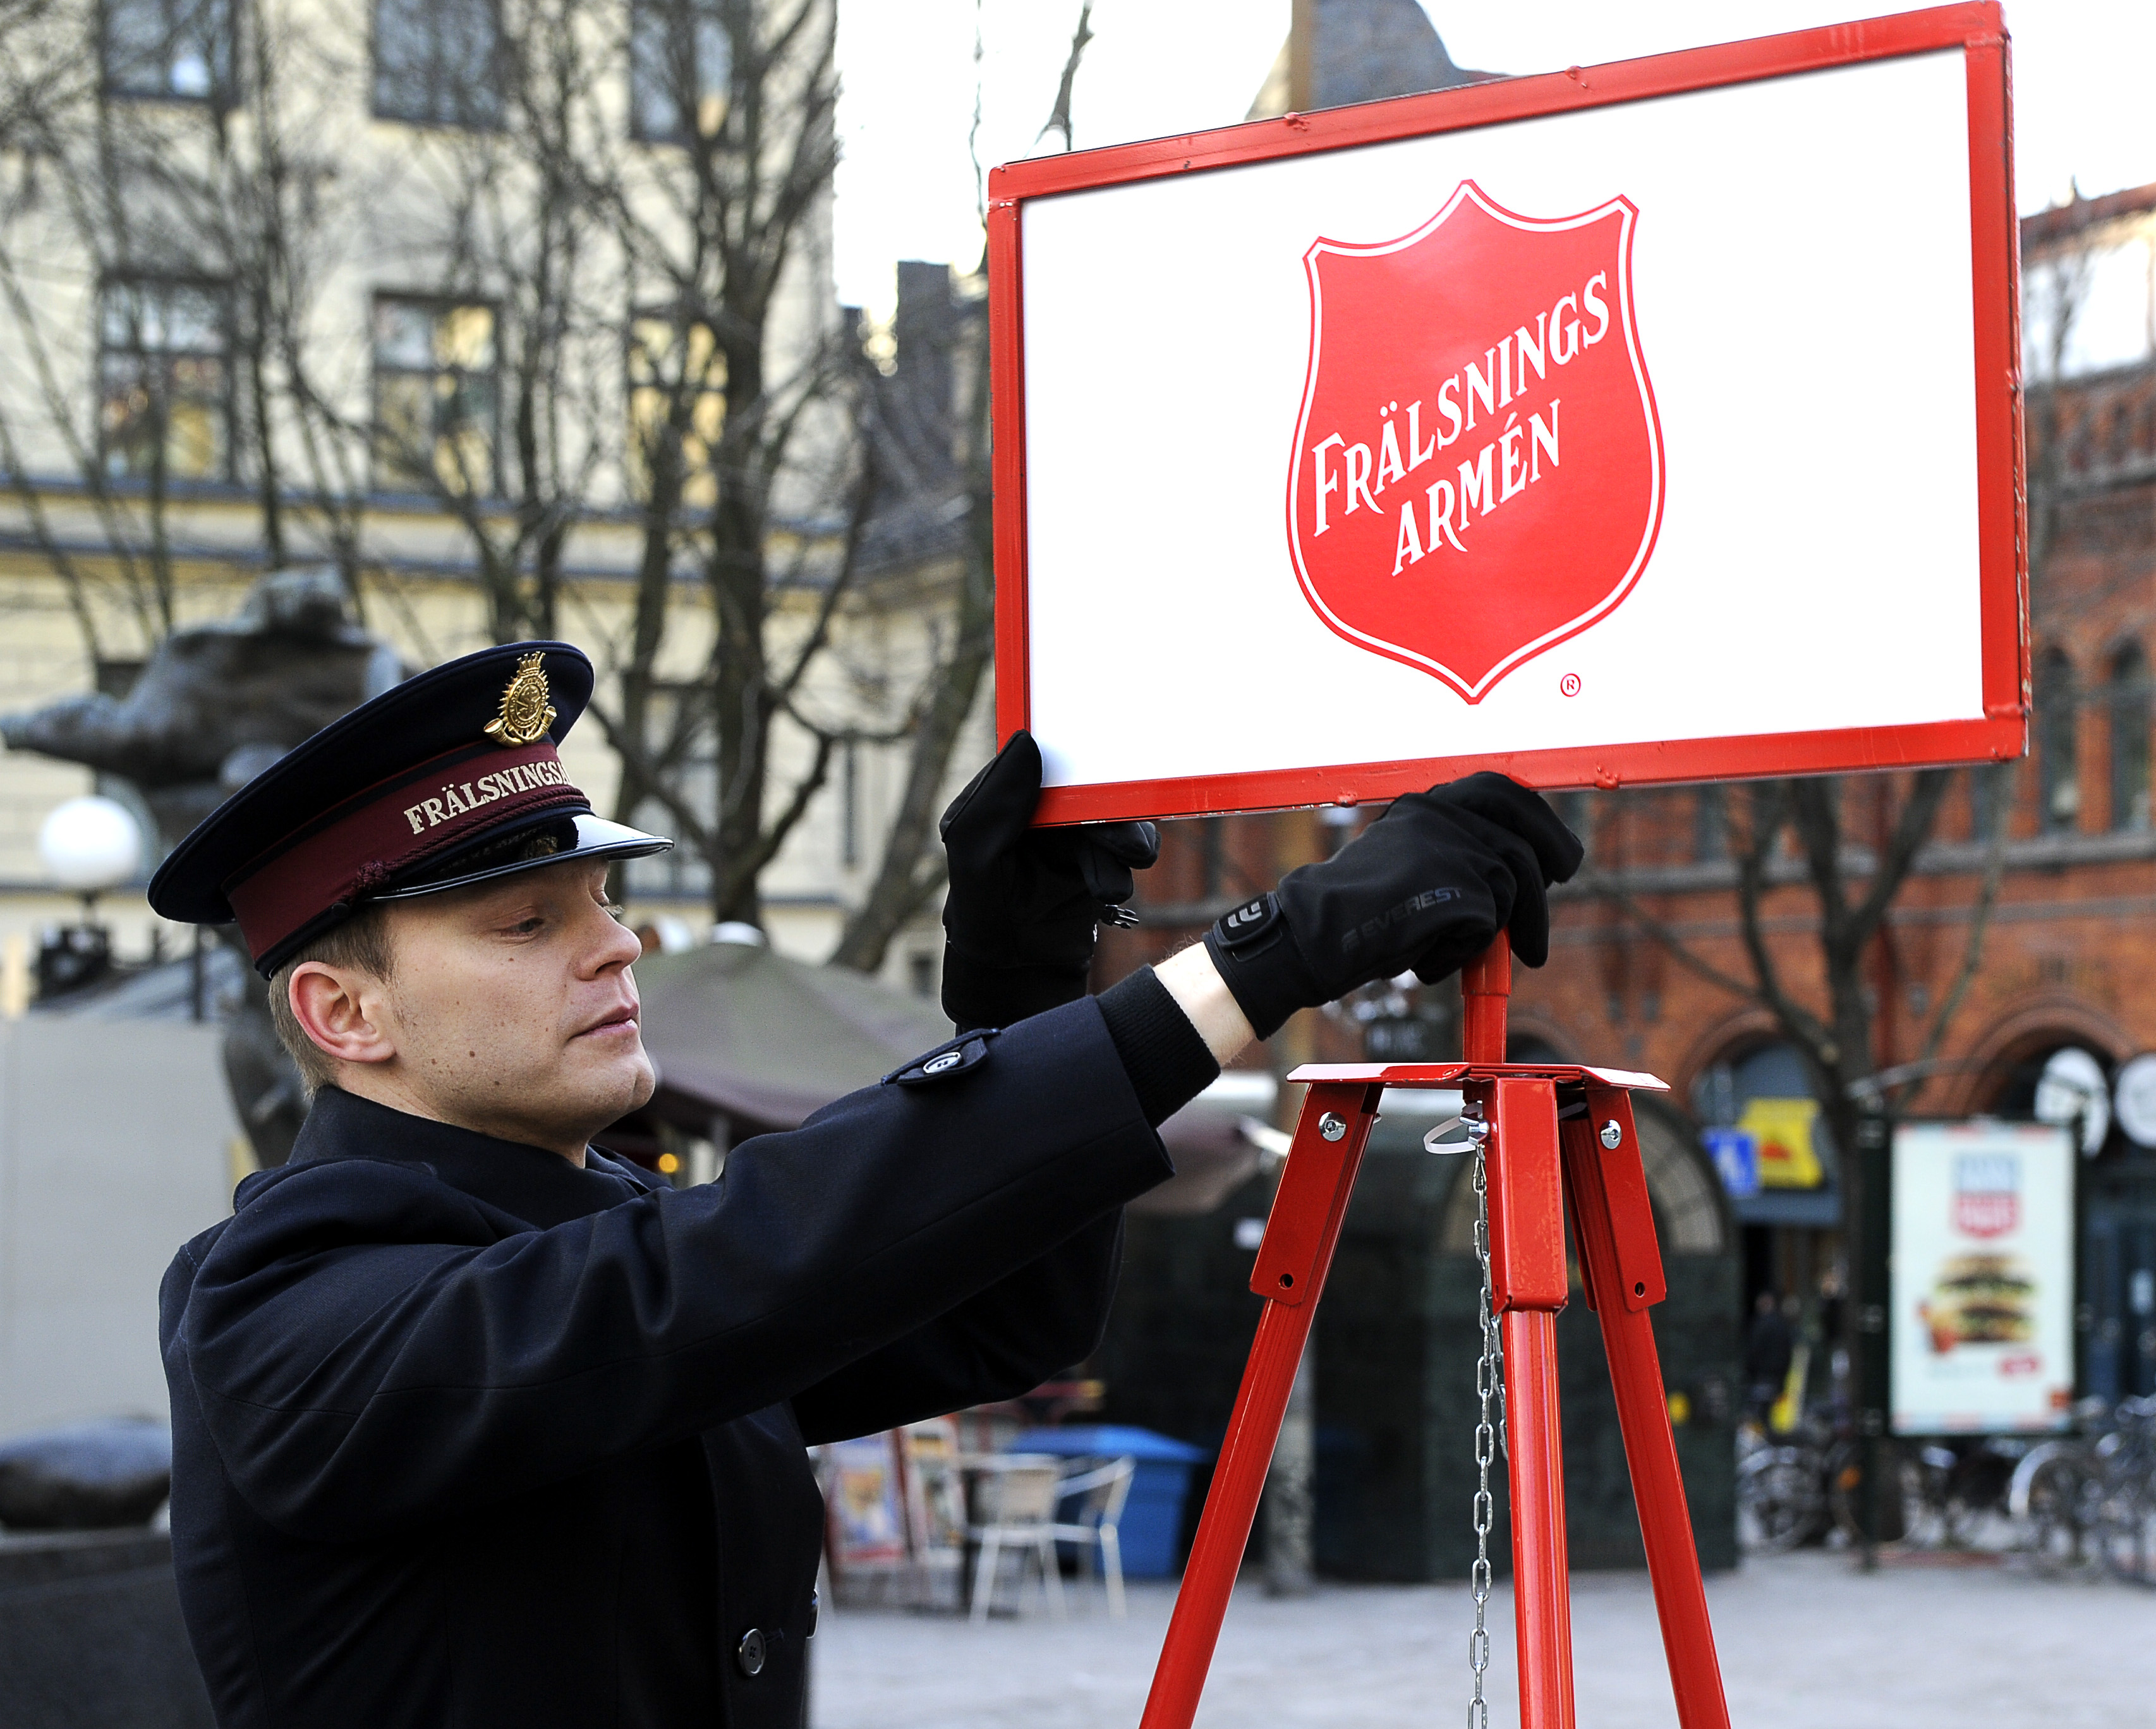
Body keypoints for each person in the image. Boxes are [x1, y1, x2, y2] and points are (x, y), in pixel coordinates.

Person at [149, 641, 1583, 1728]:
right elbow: (725, 1266)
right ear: (346, 1013)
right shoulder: (276, 1305)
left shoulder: (604, 1235)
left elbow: (1003, 1314)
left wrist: (1024, 982)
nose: (617, 946)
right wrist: (1255, 960)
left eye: (605, 900)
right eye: (528, 920)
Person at [1743, 1291, 1793, 1430]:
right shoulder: (1782, 1325)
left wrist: (1750, 1373)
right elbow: (1788, 1352)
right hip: (1778, 1378)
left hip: (1762, 1377)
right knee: (1772, 1416)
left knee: (1759, 1415)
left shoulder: (1761, 1325)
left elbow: (1754, 1352)